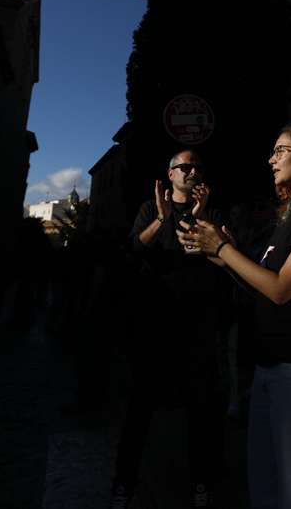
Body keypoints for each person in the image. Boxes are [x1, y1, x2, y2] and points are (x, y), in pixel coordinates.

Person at [178, 123, 291, 509]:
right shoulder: (290, 217)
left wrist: (224, 248)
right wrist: (218, 255)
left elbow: (281, 288)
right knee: (268, 491)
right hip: (272, 369)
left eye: (280, 150)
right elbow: (261, 287)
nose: (270, 159)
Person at [110, 148, 227, 509]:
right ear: (171, 173)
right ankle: (123, 484)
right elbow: (133, 249)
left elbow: (220, 256)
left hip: (197, 327)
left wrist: (200, 214)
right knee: (139, 409)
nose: (192, 172)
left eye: (197, 167)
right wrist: (161, 219)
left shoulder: (212, 211)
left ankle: (201, 484)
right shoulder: (151, 210)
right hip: (155, 326)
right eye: (185, 166)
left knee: (201, 409)